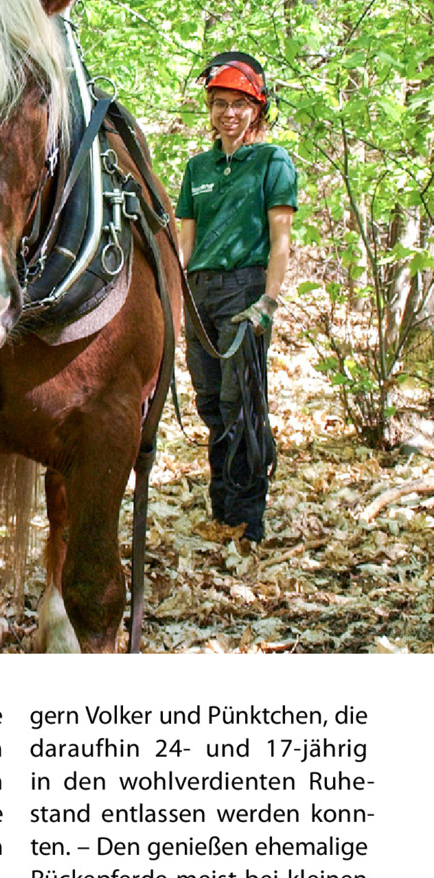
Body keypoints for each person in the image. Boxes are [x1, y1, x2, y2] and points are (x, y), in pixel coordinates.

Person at [176, 53, 298, 543]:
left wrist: (268, 301)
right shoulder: (197, 167)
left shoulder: (273, 161)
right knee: (210, 401)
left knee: (240, 401)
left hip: (244, 289)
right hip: (199, 293)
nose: (228, 113)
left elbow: (281, 237)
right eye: (219, 103)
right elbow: (186, 239)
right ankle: (221, 506)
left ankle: (246, 517)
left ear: (257, 108)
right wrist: (174, 292)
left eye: (239, 104)